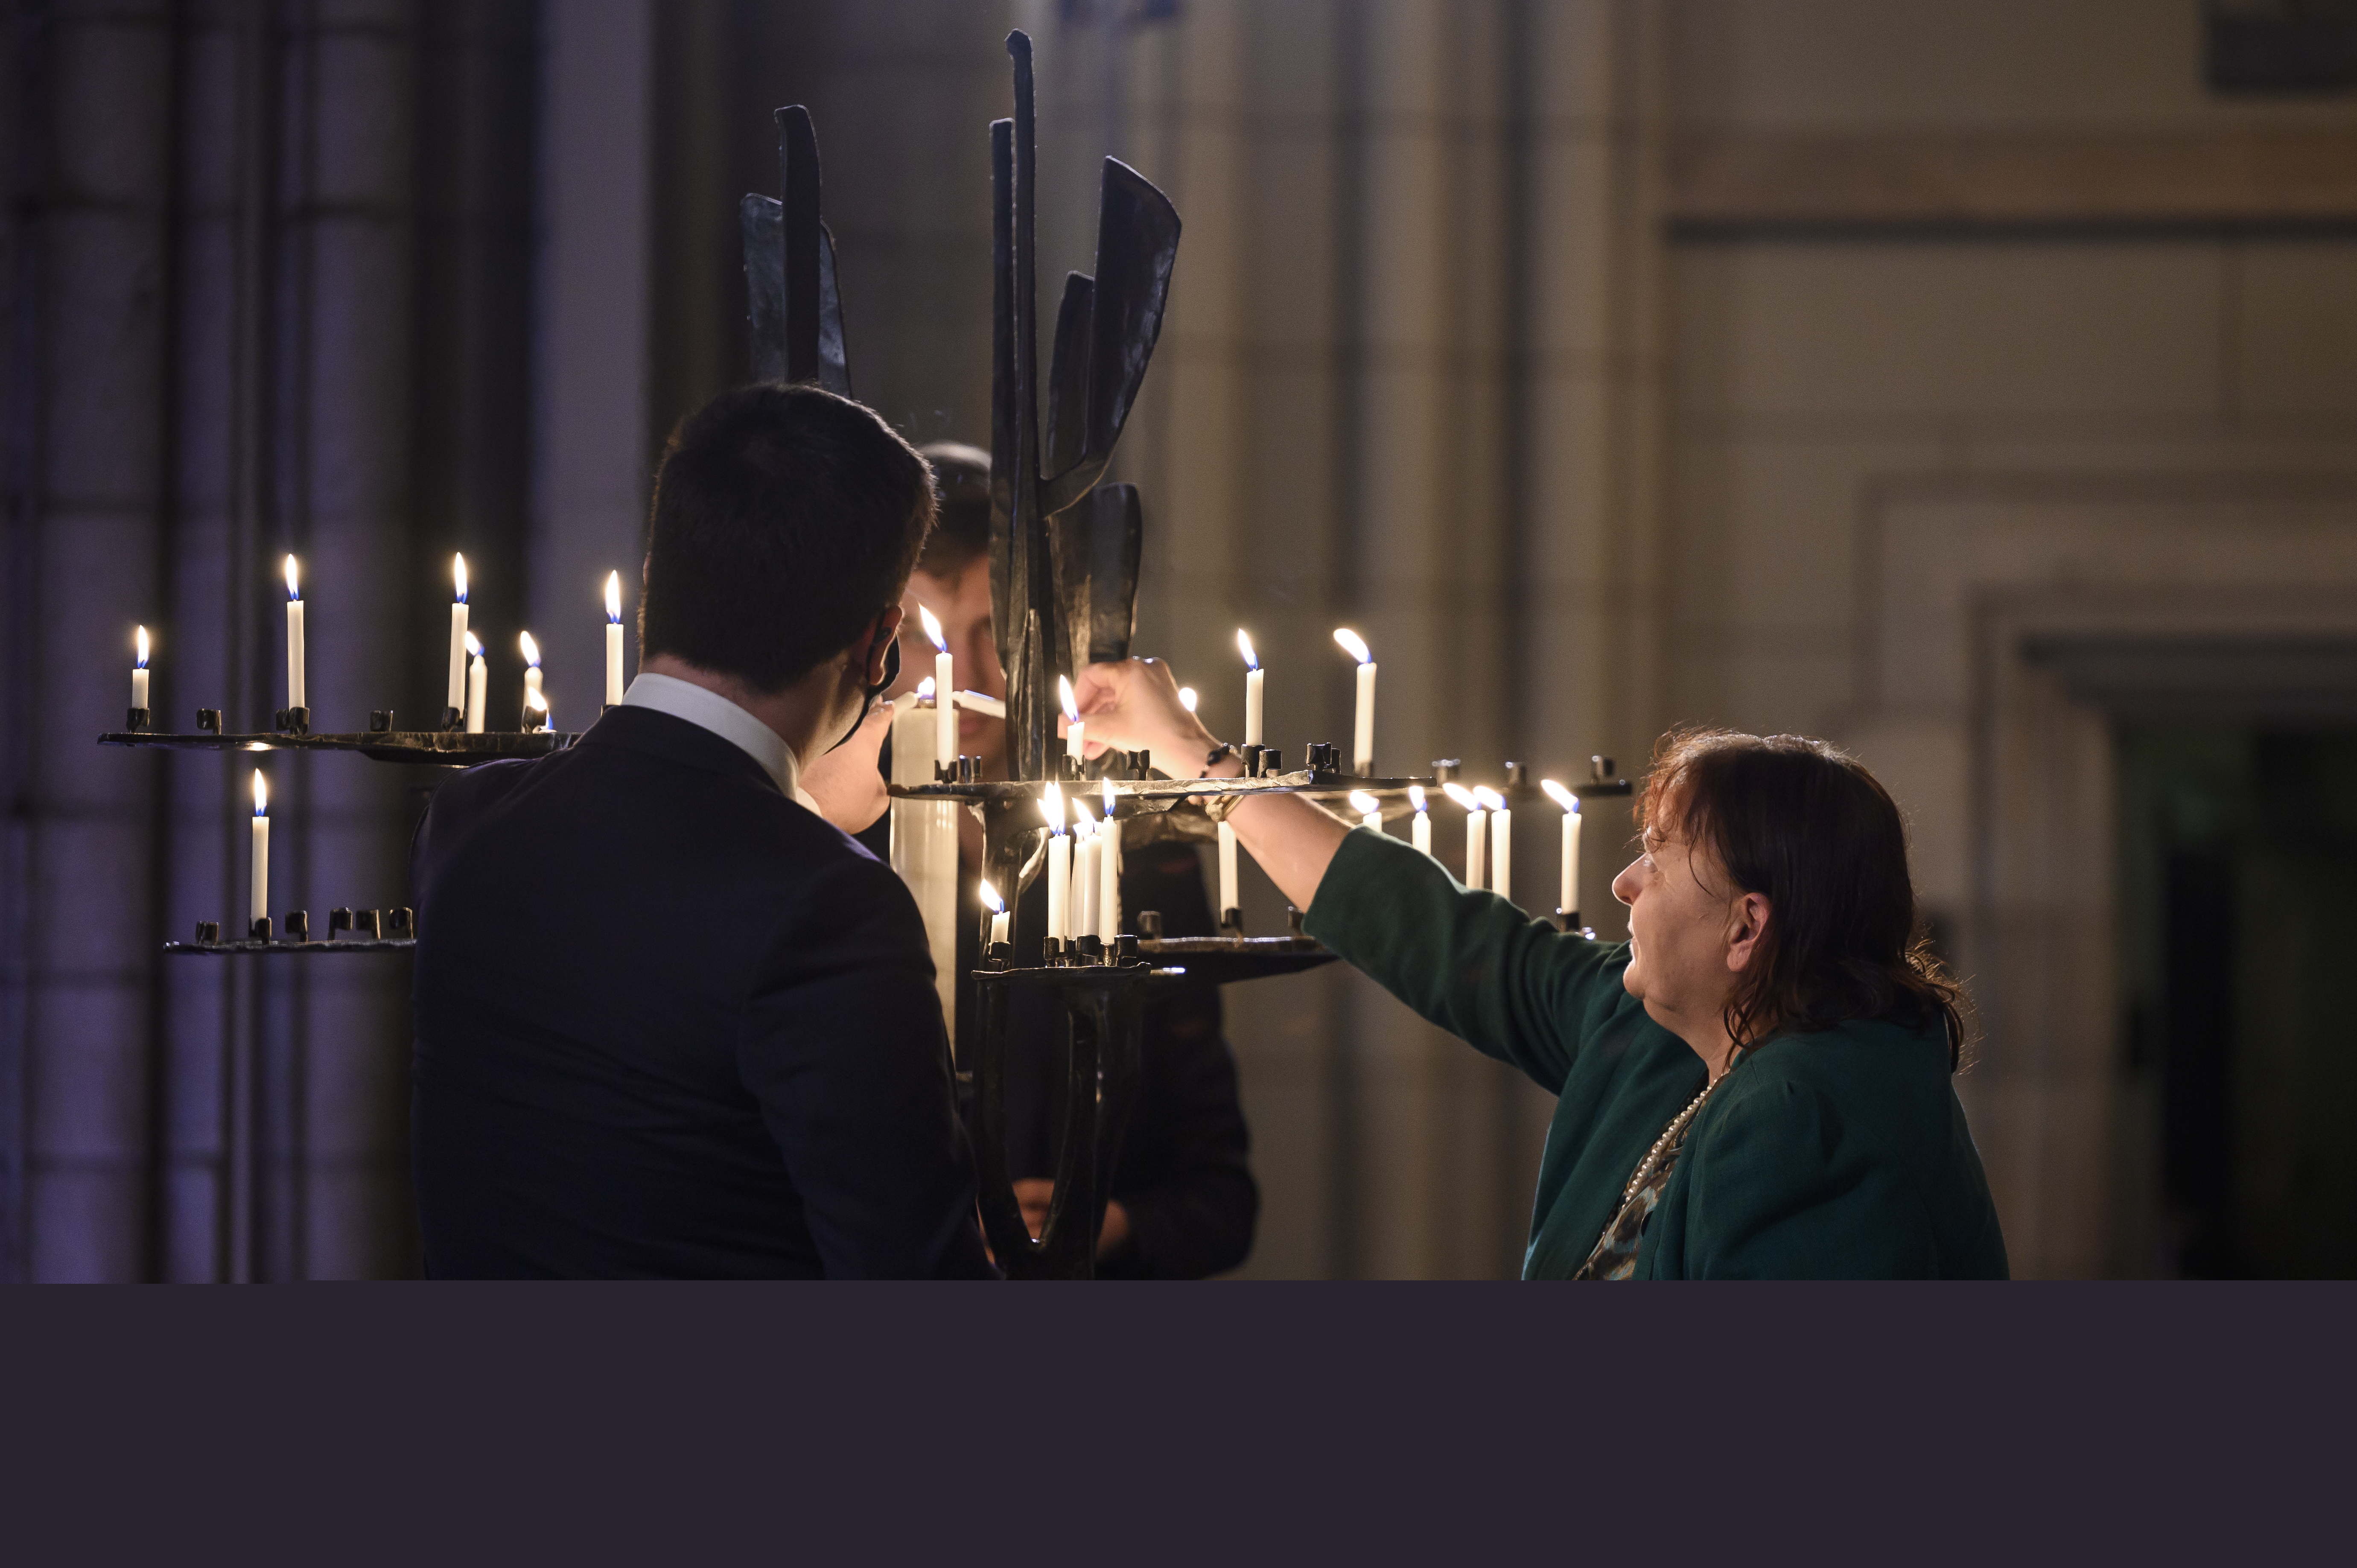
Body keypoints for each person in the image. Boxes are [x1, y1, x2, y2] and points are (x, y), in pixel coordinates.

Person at [1068, 659, 2010, 1279]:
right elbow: (1445, 938)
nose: (1622, 882)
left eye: (1659, 851)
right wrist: (1195, 757)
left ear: (1745, 928)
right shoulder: (1667, 1033)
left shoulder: (1812, 1119)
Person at [408, 383, 994, 1279]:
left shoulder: (472, 820)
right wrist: (799, 835)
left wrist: (793, 819)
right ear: (880, 646)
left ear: (657, 589)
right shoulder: (828, 904)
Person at [854, 444, 1258, 1278]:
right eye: (928, 638)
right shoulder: (834, 856)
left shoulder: (1136, 858)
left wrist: (1110, 1224)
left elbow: (1220, 1194)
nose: (961, 678)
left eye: (993, 634)